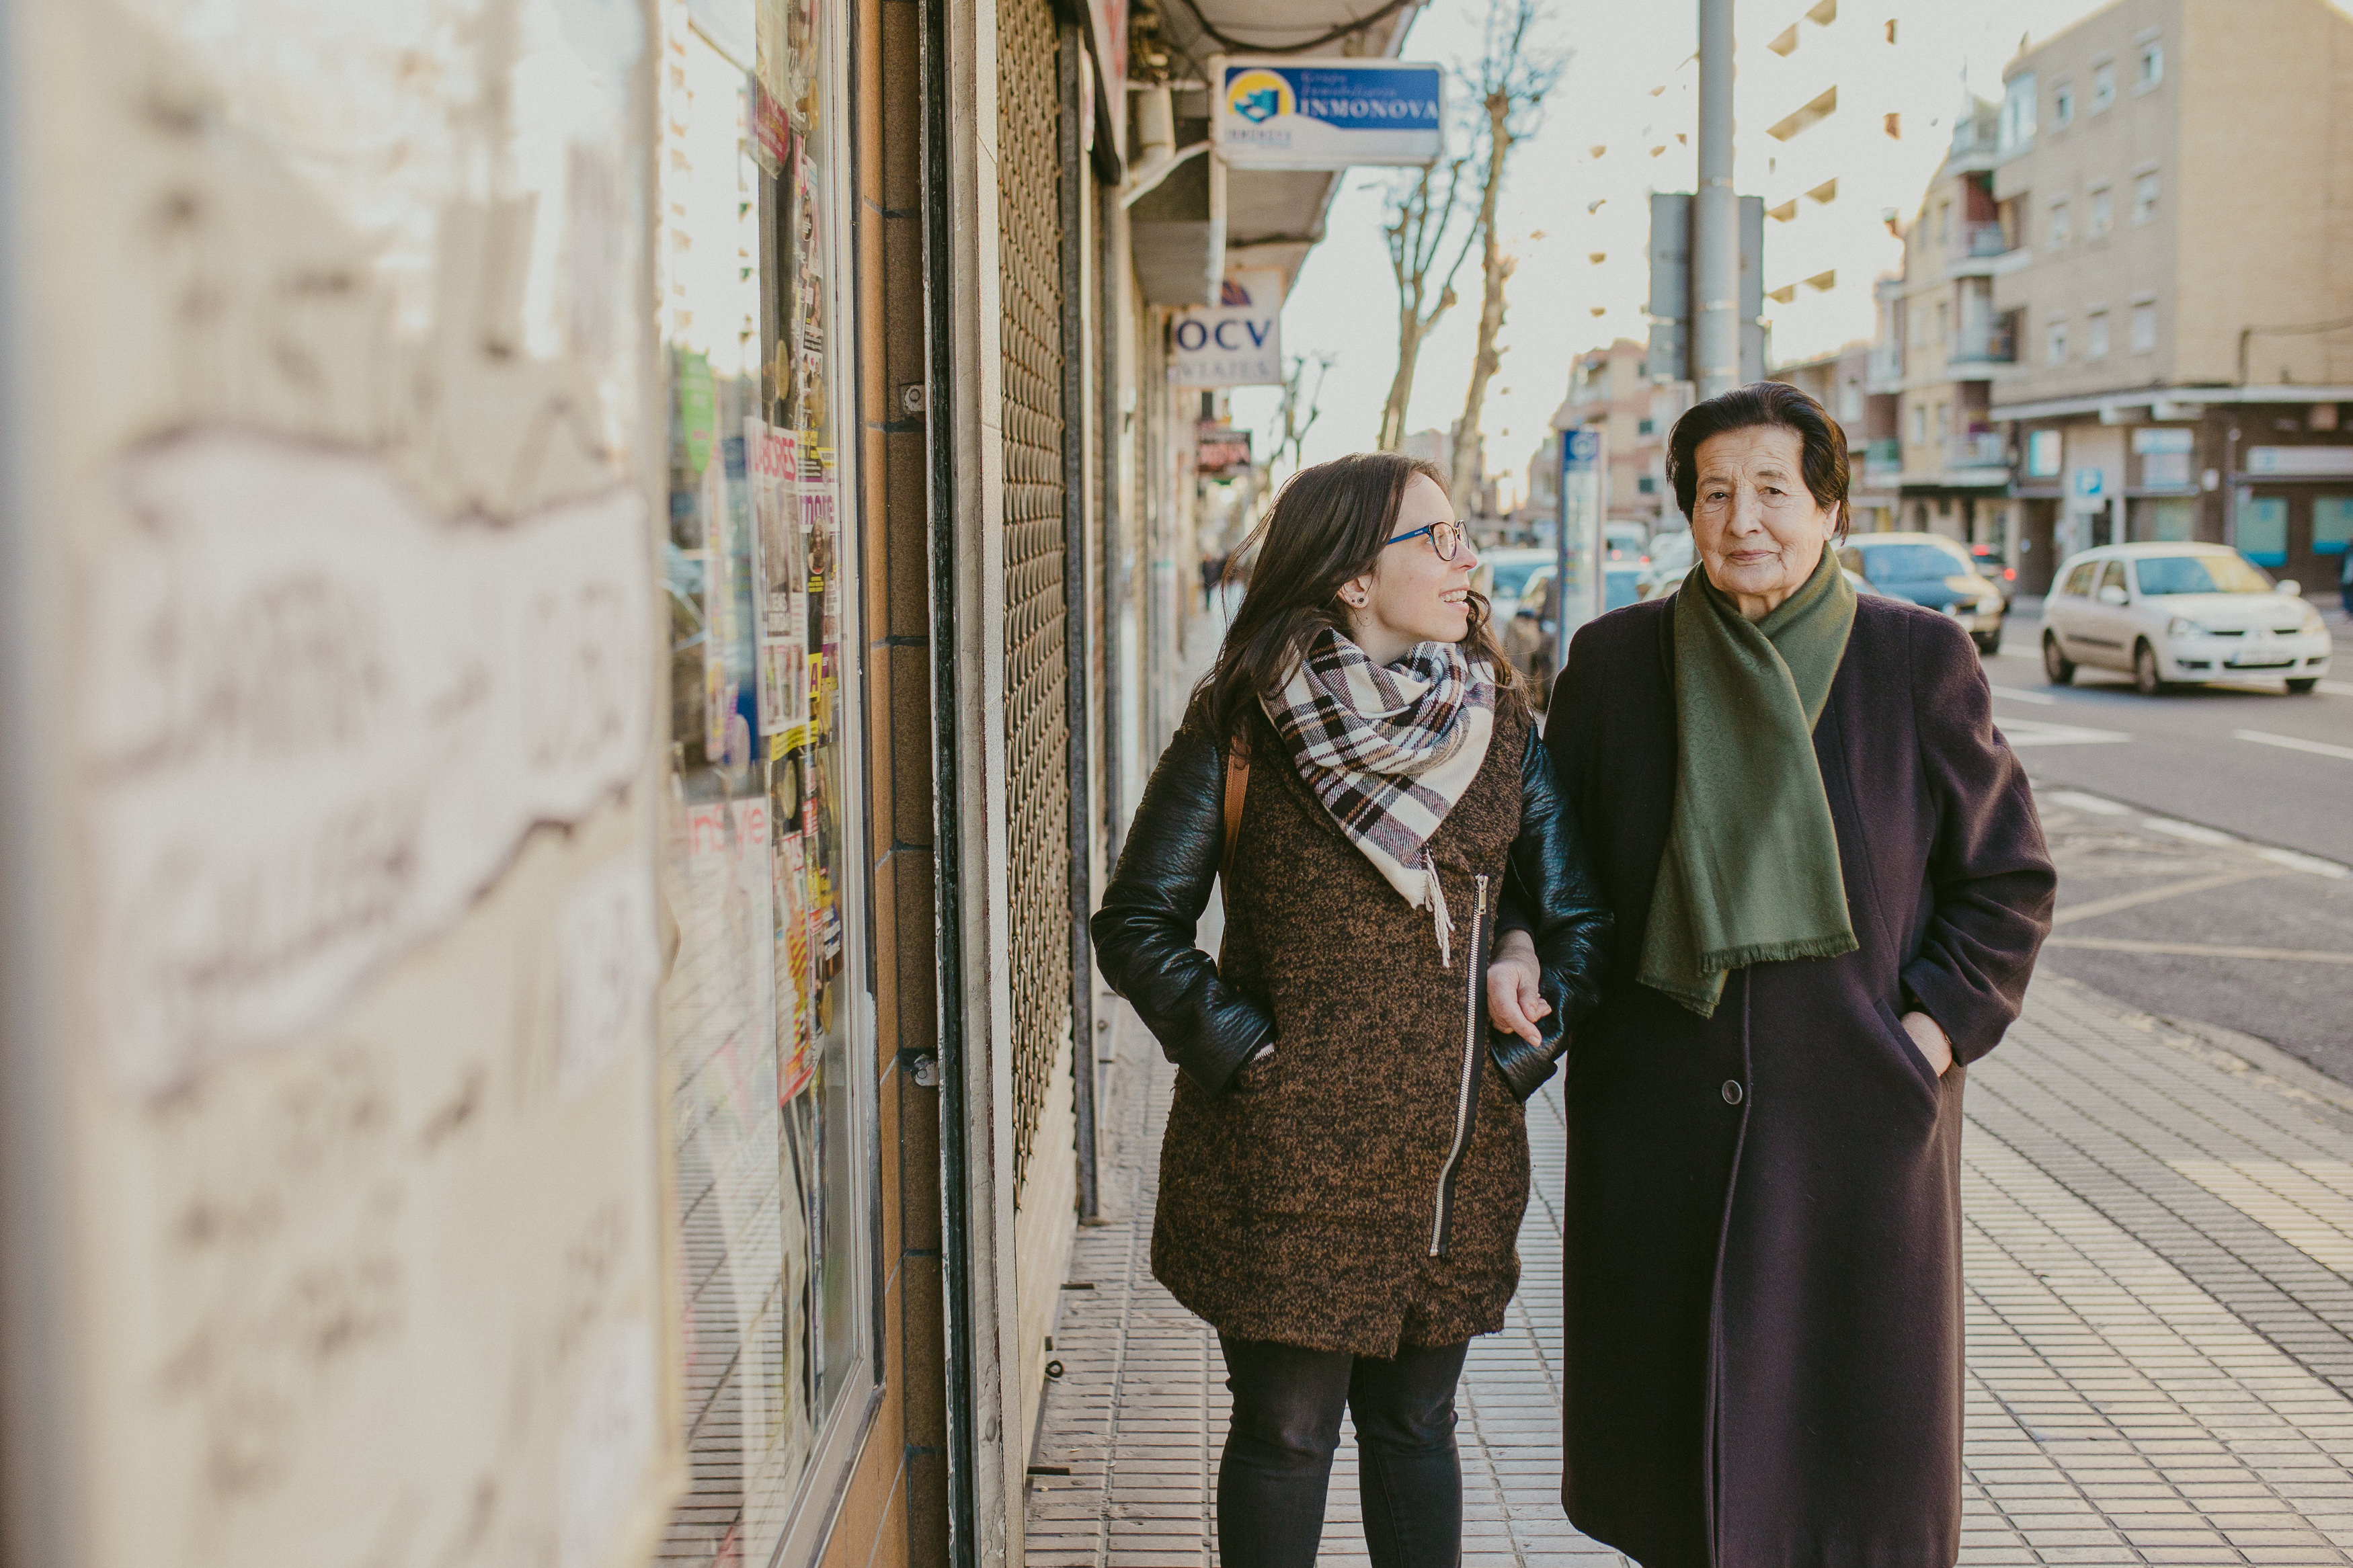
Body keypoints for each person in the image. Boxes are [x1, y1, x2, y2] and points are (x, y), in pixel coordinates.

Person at [1486, 382, 2056, 1568]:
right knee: (1674, 1475)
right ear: (1685, 509)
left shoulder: (1913, 658)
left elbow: (2005, 879)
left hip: (1855, 1130)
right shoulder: (1619, 659)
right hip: (1659, 1126)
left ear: (1830, 509)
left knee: (1846, 1480)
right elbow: (1553, 869)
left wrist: (1926, 1038)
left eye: (1773, 491)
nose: (1743, 517)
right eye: (1714, 491)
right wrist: (1524, 944)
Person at [1093, 452, 1611, 1568]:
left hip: (1449, 1168)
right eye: (1434, 536)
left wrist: (1515, 1056)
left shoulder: (1500, 726)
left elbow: (1576, 925)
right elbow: (1136, 921)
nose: (1464, 556)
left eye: (1462, 531)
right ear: (1350, 581)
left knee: (1415, 1427)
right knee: (1286, 1435)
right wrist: (1254, 1060)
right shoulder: (1244, 722)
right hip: (1283, 1168)